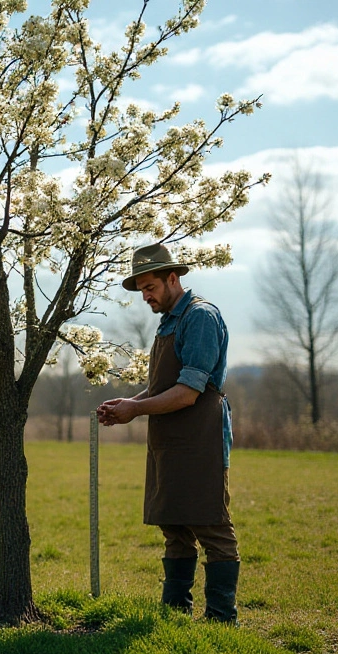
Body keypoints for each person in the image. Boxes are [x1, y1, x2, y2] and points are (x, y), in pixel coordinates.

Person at [97, 242, 239, 623]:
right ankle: (175, 614)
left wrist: (136, 409)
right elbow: (164, 388)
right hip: (168, 441)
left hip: (200, 439)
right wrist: (130, 403)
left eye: (151, 287)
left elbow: (189, 392)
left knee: (211, 525)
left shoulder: (200, 317)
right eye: (141, 290)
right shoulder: (169, 321)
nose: (145, 296)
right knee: (174, 526)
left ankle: (222, 619)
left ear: (172, 278)